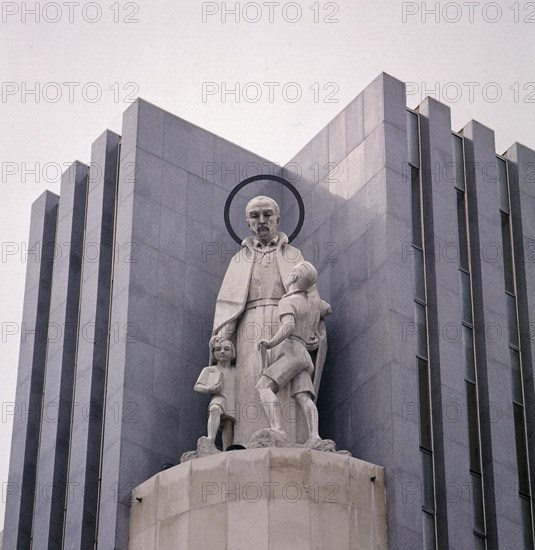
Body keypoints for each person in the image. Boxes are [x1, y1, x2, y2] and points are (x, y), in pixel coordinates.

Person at [212, 195, 329, 445]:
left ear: (278, 219)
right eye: (255, 216)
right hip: (249, 328)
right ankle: (245, 441)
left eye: (267, 215)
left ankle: (289, 438)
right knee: (250, 381)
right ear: (248, 222)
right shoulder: (239, 259)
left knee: (286, 386)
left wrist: (312, 323)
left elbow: (310, 294)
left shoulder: (293, 254)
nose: (262, 221)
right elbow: (229, 303)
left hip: (286, 322)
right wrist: (223, 332)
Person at [256, 261, 329, 445]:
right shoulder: (311, 304)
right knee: (303, 396)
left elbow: (288, 326)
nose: (289, 273)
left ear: (294, 277)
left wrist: (271, 342)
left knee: (264, 386)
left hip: (291, 351)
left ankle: (277, 429)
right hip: (304, 355)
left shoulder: (287, 301)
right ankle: (315, 436)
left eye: (293, 271)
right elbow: (326, 308)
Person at [193, 337, 236, 451]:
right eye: (218, 349)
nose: (222, 351)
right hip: (219, 396)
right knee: (215, 408)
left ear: (232, 353)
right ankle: (211, 439)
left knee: (228, 422)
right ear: (213, 353)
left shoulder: (236, 370)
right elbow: (197, 386)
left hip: (232, 399)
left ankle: (227, 449)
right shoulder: (210, 370)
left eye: (226, 349)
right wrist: (210, 389)